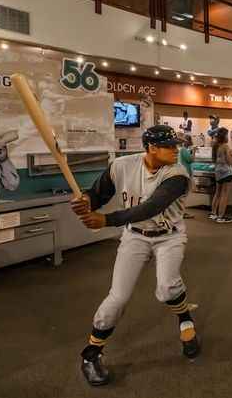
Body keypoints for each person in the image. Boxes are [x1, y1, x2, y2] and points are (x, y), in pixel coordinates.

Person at [70, 125, 199, 386]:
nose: (177, 150)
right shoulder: (121, 165)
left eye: (177, 145)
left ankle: (184, 316)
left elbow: (151, 207)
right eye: (170, 146)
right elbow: (98, 193)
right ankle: (91, 354)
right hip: (135, 236)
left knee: (166, 288)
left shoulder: (177, 174)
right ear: (152, 148)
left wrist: (106, 220)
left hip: (169, 235)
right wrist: (85, 201)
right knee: (117, 298)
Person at [210, 128, 232, 223]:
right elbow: (229, 161)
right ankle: (221, 216)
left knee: (217, 192)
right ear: (224, 136)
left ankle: (213, 213)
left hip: (218, 171)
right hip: (226, 172)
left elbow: (214, 160)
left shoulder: (215, 146)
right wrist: (231, 155)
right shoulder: (225, 146)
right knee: (225, 194)